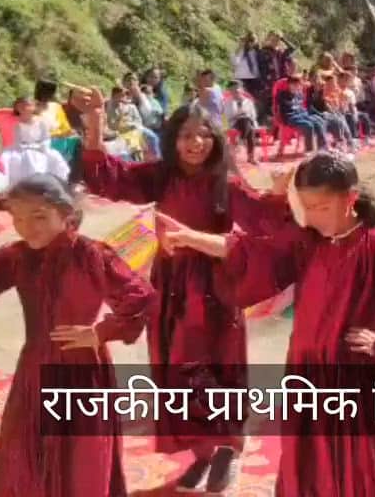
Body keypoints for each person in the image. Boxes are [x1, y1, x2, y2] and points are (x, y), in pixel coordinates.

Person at [159, 151, 375, 496]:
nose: (312, 216)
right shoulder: (306, 241)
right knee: (307, 464)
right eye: (306, 207)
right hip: (304, 373)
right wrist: (191, 238)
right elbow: (250, 253)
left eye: (321, 207)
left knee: (358, 465)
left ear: (350, 199)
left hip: (351, 377)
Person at [76, 89, 290, 492]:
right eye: (186, 135)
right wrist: (96, 122)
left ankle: (227, 448)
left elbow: (263, 219)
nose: (196, 143)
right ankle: (201, 452)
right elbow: (111, 177)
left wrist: (278, 193)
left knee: (216, 367)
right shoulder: (162, 176)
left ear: (216, 139)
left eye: (204, 134)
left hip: (215, 287)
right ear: (172, 139)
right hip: (171, 284)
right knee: (177, 367)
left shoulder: (223, 182)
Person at [0, 174, 155, 497]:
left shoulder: (91, 255)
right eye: (17, 218)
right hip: (35, 368)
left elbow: (140, 295)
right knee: (26, 452)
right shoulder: (19, 256)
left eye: (39, 216)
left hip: (81, 370)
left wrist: (102, 331)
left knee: (81, 458)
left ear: (67, 214)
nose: (27, 227)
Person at [3, 97, 71, 184]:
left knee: (46, 157)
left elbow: (46, 137)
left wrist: (41, 147)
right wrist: (21, 147)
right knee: (11, 158)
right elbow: (17, 139)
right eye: (20, 106)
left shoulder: (41, 121)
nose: (24, 108)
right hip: (22, 148)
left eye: (27, 105)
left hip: (39, 147)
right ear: (16, 108)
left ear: (34, 107)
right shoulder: (16, 123)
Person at [277, 69, 329, 152]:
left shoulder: (299, 94)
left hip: (302, 115)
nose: (296, 87)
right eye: (294, 85)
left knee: (319, 121)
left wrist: (313, 114)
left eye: (298, 85)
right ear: (288, 84)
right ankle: (309, 150)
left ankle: (322, 147)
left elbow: (302, 107)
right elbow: (281, 108)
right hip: (290, 117)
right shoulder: (283, 95)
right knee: (308, 125)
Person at [224, 81, 260, 164]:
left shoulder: (248, 101)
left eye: (237, 88)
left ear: (242, 89)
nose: (236, 91)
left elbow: (253, 115)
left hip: (248, 122)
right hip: (235, 122)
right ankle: (250, 157)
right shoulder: (228, 102)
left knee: (247, 121)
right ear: (230, 91)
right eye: (233, 89)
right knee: (246, 125)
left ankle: (241, 140)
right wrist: (238, 114)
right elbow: (228, 116)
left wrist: (247, 116)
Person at [231, 33, 264, 107]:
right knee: (243, 100)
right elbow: (234, 62)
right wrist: (239, 47)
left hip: (255, 80)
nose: (251, 43)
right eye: (249, 40)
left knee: (254, 101)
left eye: (253, 40)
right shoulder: (241, 51)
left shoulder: (258, 52)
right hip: (243, 79)